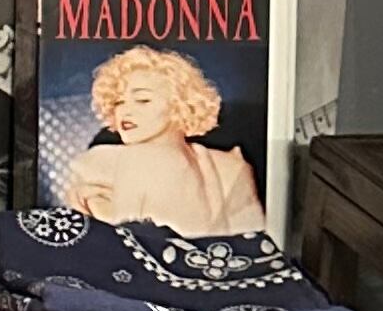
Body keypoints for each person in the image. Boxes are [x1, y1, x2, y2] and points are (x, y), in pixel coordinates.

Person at [60, 47, 266, 237]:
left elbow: (253, 245)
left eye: (143, 100)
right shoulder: (97, 167)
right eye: (118, 102)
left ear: (179, 104)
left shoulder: (230, 169)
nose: (125, 111)